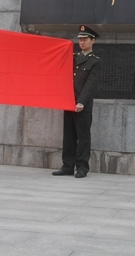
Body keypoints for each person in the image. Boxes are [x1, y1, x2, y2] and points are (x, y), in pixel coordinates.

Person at [53, 25, 101, 178]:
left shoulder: (95, 62)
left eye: (85, 39)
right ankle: (67, 166)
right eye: (80, 39)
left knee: (83, 136)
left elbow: (90, 85)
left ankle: (82, 167)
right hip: (68, 103)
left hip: (82, 106)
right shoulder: (73, 57)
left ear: (93, 41)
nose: (82, 42)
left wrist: (81, 102)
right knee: (69, 136)